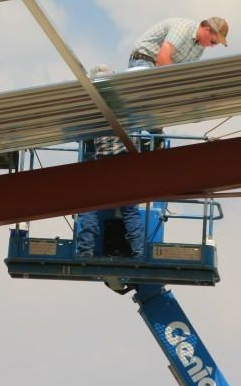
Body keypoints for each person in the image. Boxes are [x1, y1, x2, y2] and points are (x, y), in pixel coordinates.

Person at [76, 65, 145, 260]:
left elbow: (85, 138)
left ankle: (86, 250)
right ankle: (138, 251)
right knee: (130, 210)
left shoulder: (92, 106)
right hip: (125, 163)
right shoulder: (124, 103)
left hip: (102, 163)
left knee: (90, 205)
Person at [127, 17, 229, 70]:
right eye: (213, 42)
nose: (212, 46)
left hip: (159, 68)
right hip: (144, 60)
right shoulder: (183, 28)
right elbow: (163, 58)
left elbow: (183, 71)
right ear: (207, 30)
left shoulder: (200, 47)